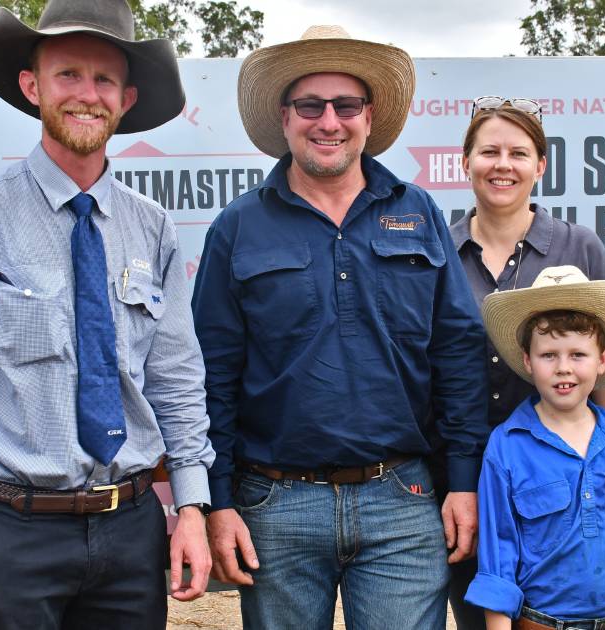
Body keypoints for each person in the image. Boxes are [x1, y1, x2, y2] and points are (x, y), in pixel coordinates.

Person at [0, 1, 214, 627]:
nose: (86, 95)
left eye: (104, 80)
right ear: (32, 86)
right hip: (12, 532)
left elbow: (175, 380)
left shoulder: (153, 229)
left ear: (126, 98)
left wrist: (192, 507)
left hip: (131, 532)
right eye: (68, 74)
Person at [191, 25, 489, 630]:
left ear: (368, 116)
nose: (329, 121)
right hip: (274, 506)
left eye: (345, 105)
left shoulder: (418, 211)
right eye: (310, 105)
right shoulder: (237, 227)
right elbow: (211, 375)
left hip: (401, 503)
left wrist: (464, 480)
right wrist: (217, 501)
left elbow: (458, 351)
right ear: (285, 117)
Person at [444, 98, 605, 629]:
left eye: (519, 153)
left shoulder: (579, 246)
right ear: (465, 162)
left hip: (567, 480)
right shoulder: (435, 248)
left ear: (540, 165)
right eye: (489, 152)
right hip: (466, 479)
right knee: (486, 613)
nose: (503, 165)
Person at [464, 265, 605, 630]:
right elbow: (498, 547)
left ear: (602, 360)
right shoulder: (507, 447)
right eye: (548, 355)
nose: (563, 368)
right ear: (527, 361)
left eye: (577, 355)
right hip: (543, 623)